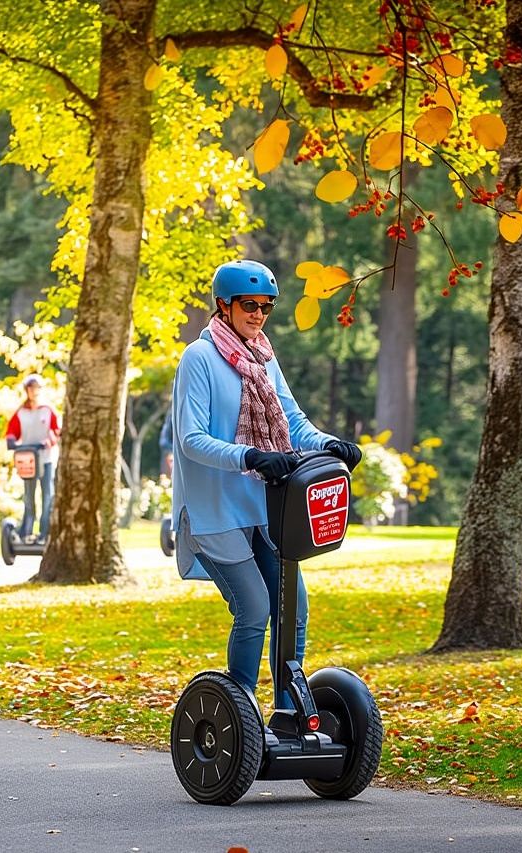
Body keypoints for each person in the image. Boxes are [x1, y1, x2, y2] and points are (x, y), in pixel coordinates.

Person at [170, 259, 362, 710]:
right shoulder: (199, 358)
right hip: (213, 511)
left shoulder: (263, 357)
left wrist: (332, 445)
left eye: (266, 307)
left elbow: (292, 421)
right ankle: (238, 713)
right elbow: (191, 438)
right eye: (249, 305)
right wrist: (249, 455)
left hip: (263, 507)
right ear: (224, 305)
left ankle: (288, 710)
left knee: (293, 610)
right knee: (255, 609)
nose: (258, 314)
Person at [4, 373, 61, 543]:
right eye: (30, 388)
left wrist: (47, 441)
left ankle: (45, 530)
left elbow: (57, 430)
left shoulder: (48, 410)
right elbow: (12, 430)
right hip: (28, 458)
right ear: (26, 390)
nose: (34, 391)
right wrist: (11, 440)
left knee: (47, 494)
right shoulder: (21, 412)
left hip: (46, 458)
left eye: (36, 388)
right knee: (28, 495)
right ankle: (26, 529)